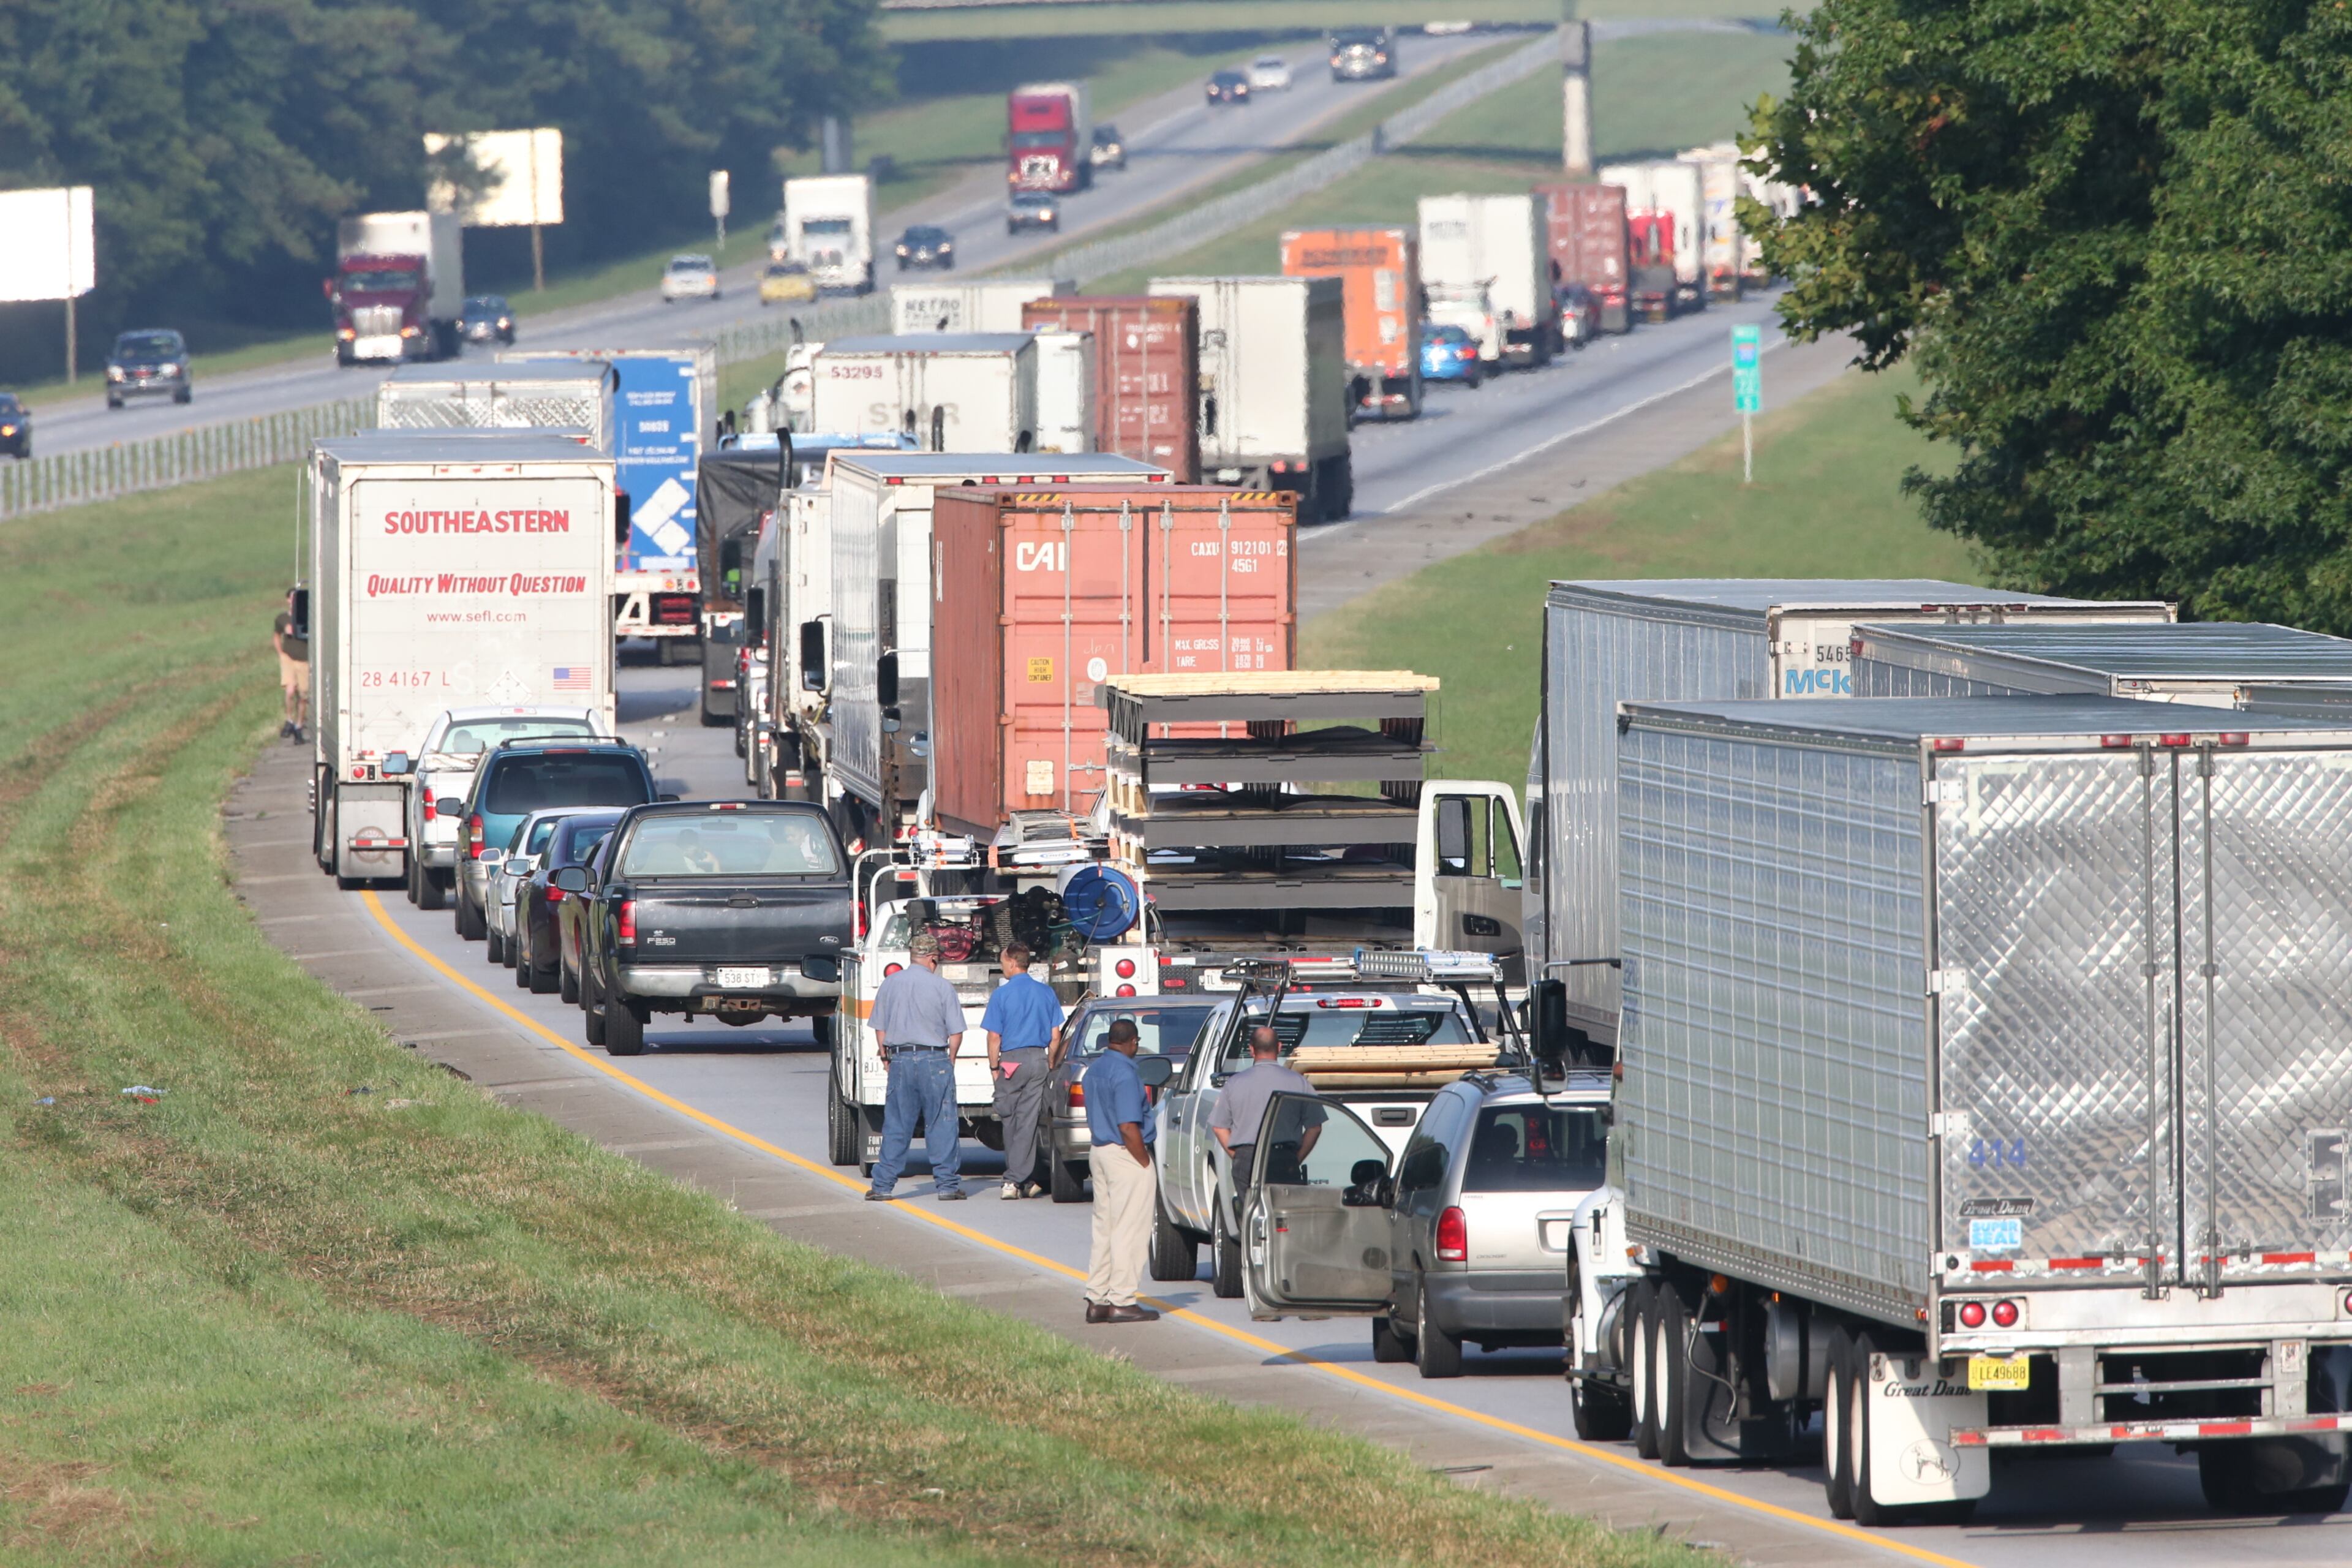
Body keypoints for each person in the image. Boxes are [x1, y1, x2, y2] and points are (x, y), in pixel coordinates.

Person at [864, 929, 969, 1202]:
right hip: (935, 1060)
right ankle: (946, 1185)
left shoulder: (890, 984)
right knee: (941, 1123)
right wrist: (951, 1059)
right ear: (933, 959)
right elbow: (955, 1032)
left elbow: (880, 1029)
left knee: (897, 1124)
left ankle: (882, 1186)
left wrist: (887, 1057)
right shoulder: (942, 987)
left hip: (900, 1059)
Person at [1080, 1018, 1158, 1324]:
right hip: (1125, 1154)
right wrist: (1143, 1161)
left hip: (1099, 1149)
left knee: (1105, 1228)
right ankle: (1123, 1300)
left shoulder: (1095, 1069)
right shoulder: (1125, 1073)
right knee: (1130, 1228)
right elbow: (1128, 1125)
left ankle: (1097, 1298)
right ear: (1133, 1042)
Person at [981, 941, 1061, 1199]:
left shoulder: (1001, 995)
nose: (1002, 967)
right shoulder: (1046, 992)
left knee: (1009, 1117)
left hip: (1012, 1062)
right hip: (1038, 1059)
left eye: (1003, 962)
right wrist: (1048, 1063)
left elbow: (994, 1036)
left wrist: (994, 1067)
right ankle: (1024, 1179)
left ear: (1013, 963)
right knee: (1027, 1121)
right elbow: (1056, 1036)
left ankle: (1013, 1179)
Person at [1207, 1024, 1322, 1196]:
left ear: (1252, 1050)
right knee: (1283, 1213)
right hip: (1285, 1158)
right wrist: (1296, 1159)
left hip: (1247, 1157)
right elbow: (1315, 1127)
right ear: (1279, 1047)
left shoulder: (1234, 1083)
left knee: (1250, 1214)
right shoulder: (1299, 1082)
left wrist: (1237, 1156)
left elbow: (1218, 1126)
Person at [273, 587, 309, 742]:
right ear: (288, 600)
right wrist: (280, 653)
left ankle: (299, 725)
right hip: (289, 658)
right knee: (290, 690)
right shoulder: (282, 619)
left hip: (304, 659)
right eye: (292, 599)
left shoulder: (307, 618)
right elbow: (276, 636)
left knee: (303, 695)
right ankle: (289, 719)